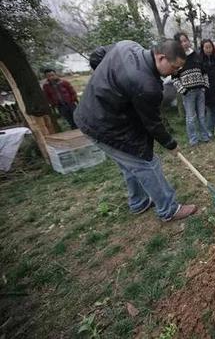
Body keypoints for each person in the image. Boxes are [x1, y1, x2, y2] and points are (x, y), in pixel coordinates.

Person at [74, 40, 198, 222]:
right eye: (174, 67)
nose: (176, 72)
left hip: (93, 115)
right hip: (104, 125)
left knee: (130, 163)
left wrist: (110, 84)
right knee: (147, 163)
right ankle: (169, 209)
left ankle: (138, 202)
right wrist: (171, 144)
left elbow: (97, 56)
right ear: (161, 57)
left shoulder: (127, 46)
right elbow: (153, 124)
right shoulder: (147, 85)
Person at [172, 32, 211, 146]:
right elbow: (174, 79)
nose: (184, 43)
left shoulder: (197, 55)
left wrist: (205, 86)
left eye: (186, 40)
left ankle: (204, 136)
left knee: (202, 115)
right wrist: (183, 90)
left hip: (200, 91)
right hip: (188, 93)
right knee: (191, 117)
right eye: (181, 42)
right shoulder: (177, 59)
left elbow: (204, 73)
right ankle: (193, 139)